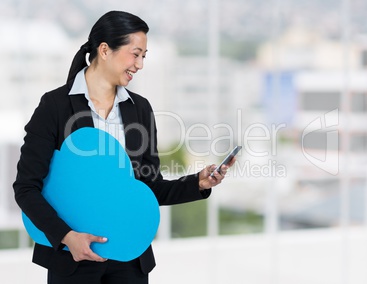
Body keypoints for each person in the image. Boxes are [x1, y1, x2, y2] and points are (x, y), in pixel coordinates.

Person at [13, 11, 235, 284]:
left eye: (144, 56)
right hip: (71, 260)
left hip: (129, 262)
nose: (140, 64)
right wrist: (67, 237)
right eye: (135, 54)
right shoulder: (55, 106)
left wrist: (198, 183)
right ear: (105, 50)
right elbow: (26, 188)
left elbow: (146, 186)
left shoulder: (139, 109)